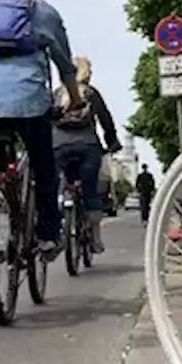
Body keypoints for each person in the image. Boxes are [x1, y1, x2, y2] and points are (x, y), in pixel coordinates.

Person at [0, 0, 82, 264]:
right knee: (45, 169)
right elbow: (65, 65)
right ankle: (46, 237)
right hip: (28, 104)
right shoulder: (45, 12)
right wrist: (75, 99)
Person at [53, 56, 121, 253]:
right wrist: (112, 142)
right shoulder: (91, 93)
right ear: (87, 73)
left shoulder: (57, 94)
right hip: (87, 147)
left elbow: (47, 118)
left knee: (58, 185)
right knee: (91, 190)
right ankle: (96, 239)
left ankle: (56, 228)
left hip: (59, 147)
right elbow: (106, 120)